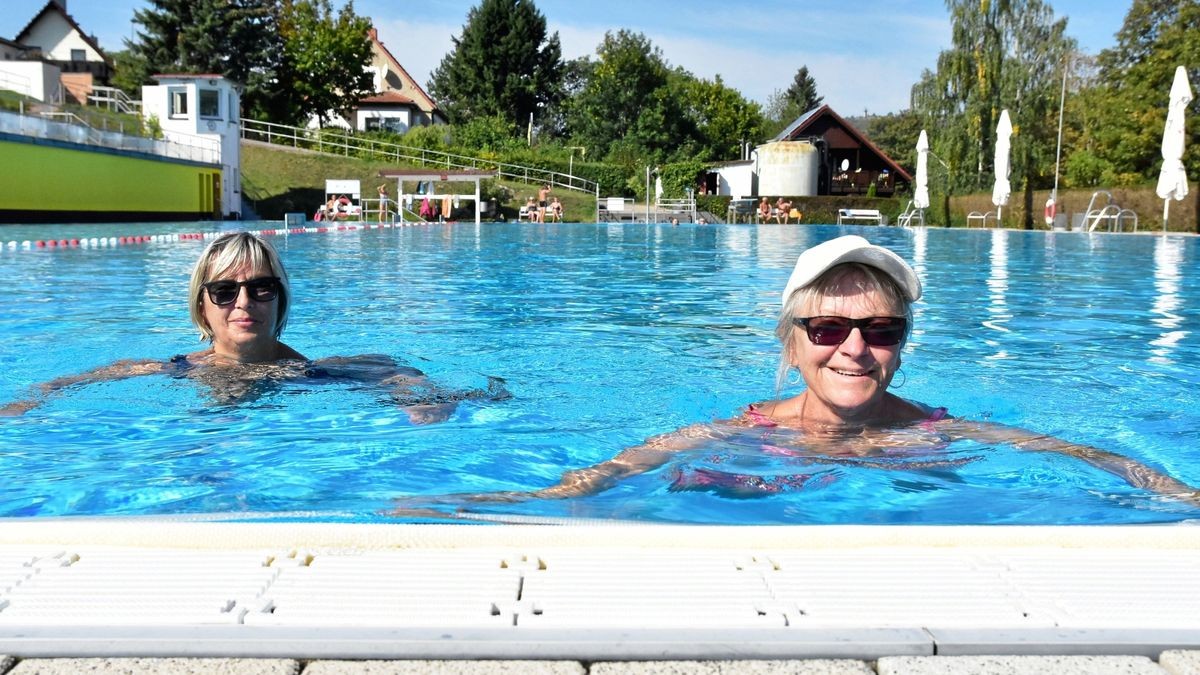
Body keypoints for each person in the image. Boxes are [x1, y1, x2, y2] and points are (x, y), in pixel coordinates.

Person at [396, 235, 1199, 508]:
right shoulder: (749, 428)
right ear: (791, 344)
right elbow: (630, 461)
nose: (855, 347)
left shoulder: (930, 430)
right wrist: (528, 499)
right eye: (829, 326)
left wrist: (1173, 490)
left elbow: (1069, 453)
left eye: (880, 329)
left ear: (901, 344)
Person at [1, 232, 504, 422]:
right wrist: (33, 398)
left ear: (280, 299)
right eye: (225, 291)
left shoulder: (313, 375)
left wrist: (424, 396)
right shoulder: (173, 369)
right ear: (202, 308)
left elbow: (399, 373)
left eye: (261, 288)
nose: (244, 302)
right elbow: (76, 381)